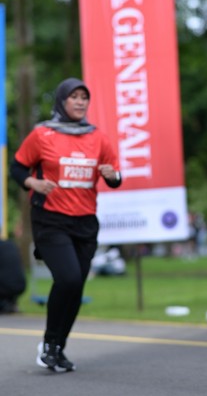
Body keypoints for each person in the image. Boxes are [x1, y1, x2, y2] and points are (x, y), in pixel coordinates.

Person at [10, 77, 122, 372]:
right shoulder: (42, 134)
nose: (80, 102)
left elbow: (115, 176)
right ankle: (49, 343)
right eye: (74, 97)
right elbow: (17, 167)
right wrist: (32, 182)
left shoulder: (98, 137)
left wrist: (113, 176)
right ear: (62, 101)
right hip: (50, 220)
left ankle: (58, 347)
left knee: (76, 287)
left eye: (84, 97)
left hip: (85, 223)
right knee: (69, 279)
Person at [0, 238, 27, 313]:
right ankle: (9, 303)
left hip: (5, 286)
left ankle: (4, 304)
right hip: (20, 285)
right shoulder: (11, 244)